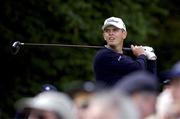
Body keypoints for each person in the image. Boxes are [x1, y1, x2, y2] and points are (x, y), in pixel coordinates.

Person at [93, 16, 157, 87]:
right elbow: (138, 70)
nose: (111, 33)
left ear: (124, 34)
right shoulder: (104, 55)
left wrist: (151, 60)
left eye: (115, 30)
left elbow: (149, 82)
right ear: (104, 36)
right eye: (107, 31)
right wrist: (141, 54)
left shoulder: (125, 59)